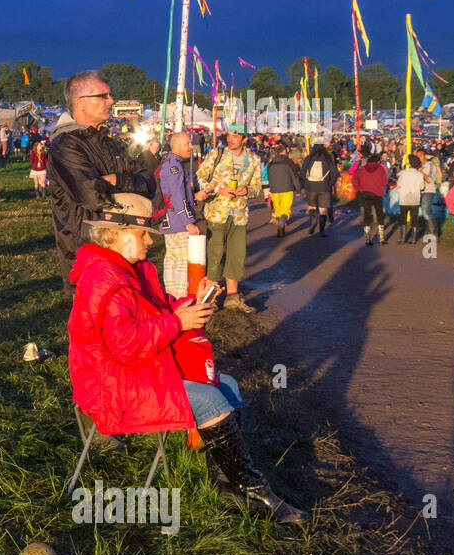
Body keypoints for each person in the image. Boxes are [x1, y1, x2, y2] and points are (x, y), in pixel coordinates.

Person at [67, 192, 307, 523]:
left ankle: (229, 488)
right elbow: (124, 344)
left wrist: (194, 300)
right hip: (114, 386)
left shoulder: (132, 270)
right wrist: (179, 322)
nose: (150, 241)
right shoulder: (103, 279)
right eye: (143, 234)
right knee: (210, 399)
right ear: (119, 237)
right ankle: (255, 492)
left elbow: (160, 307)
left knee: (229, 386)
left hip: (138, 370)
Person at [47, 70, 157, 297]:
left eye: (110, 95)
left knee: (130, 320)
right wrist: (129, 183)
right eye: (103, 96)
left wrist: (117, 180)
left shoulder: (110, 143)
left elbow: (149, 186)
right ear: (80, 103)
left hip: (125, 249)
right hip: (89, 253)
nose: (111, 101)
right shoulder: (65, 146)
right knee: (96, 324)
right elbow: (93, 196)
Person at [196, 129, 261, 311]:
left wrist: (247, 190)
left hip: (239, 214)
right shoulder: (217, 154)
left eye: (235, 136)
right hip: (216, 212)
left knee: (237, 255)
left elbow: (257, 186)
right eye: (229, 136)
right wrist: (218, 189)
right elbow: (200, 176)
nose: (230, 140)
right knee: (214, 255)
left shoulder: (254, 160)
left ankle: (232, 298)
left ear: (245, 139)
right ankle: (210, 299)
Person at [156, 131, 201, 297]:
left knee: (171, 261)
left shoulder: (168, 163)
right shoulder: (174, 166)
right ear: (176, 146)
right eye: (187, 144)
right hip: (178, 222)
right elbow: (177, 195)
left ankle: (171, 299)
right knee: (181, 263)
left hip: (170, 221)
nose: (191, 147)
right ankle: (181, 299)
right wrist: (188, 221)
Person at [351, 147, 390, 246]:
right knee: (379, 215)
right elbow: (384, 182)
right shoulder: (380, 169)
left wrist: (358, 188)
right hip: (377, 194)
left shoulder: (363, 169)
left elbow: (354, 178)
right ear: (377, 162)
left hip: (365, 194)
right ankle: (381, 239)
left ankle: (368, 239)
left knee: (367, 216)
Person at [265, 140, 303, 237]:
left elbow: (269, 176)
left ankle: (279, 221)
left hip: (274, 189)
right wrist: (298, 189)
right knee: (285, 209)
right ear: (284, 151)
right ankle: (282, 221)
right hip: (287, 188)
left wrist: (270, 187)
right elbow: (294, 176)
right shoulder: (288, 162)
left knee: (277, 208)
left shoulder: (271, 163)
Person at [300, 141, 338, 237]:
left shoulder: (309, 158)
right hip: (324, 186)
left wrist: (306, 182)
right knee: (323, 209)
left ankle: (313, 221)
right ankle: (322, 230)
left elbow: (303, 172)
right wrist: (330, 184)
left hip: (311, 186)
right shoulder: (328, 158)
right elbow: (335, 173)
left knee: (312, 206)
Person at [394, 155, 426, 243]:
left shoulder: (403, 173)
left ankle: (402, 238)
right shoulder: (419, 174)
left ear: (410, 164)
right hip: (415, 199)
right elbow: (422, 187)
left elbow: (399, 184)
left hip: (404, 199)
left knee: (403, 218)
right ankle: (413, 238)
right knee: (414, 219)